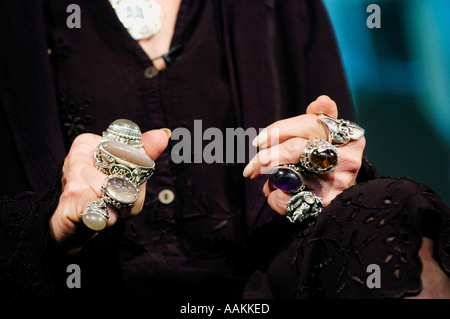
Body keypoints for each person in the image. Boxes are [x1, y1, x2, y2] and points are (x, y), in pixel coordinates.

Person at [0, 0, 448, 300]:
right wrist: (52, 221)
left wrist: (330, 180)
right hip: (73, 283)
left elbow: (331, 150)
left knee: (391, 215)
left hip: (258, 293)